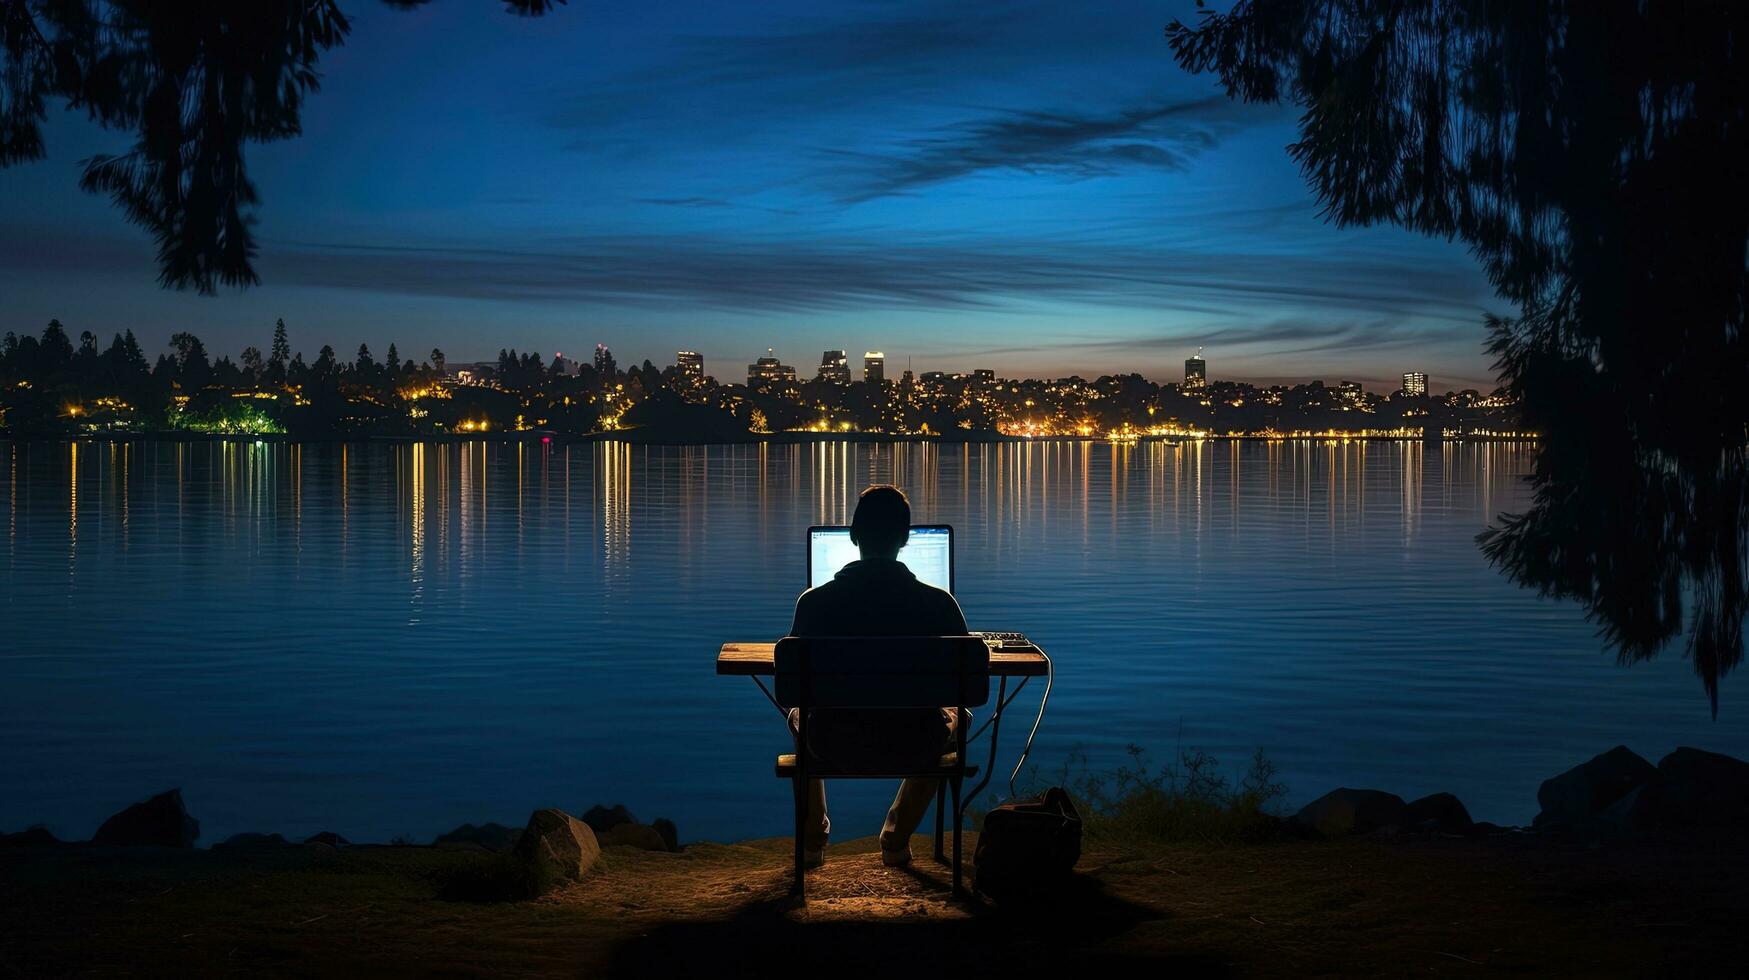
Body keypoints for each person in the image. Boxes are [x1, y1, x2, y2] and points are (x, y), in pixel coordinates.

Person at [787, 484, 970, 868]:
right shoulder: (940, 605)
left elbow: (790, 682)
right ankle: (896, 838)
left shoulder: (814, 603)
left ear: (853, 535)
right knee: (959, 715)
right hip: (916, 742)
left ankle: (812, 841)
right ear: (905, 539)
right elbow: (969, 678)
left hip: (832, 742)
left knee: (799, 712)